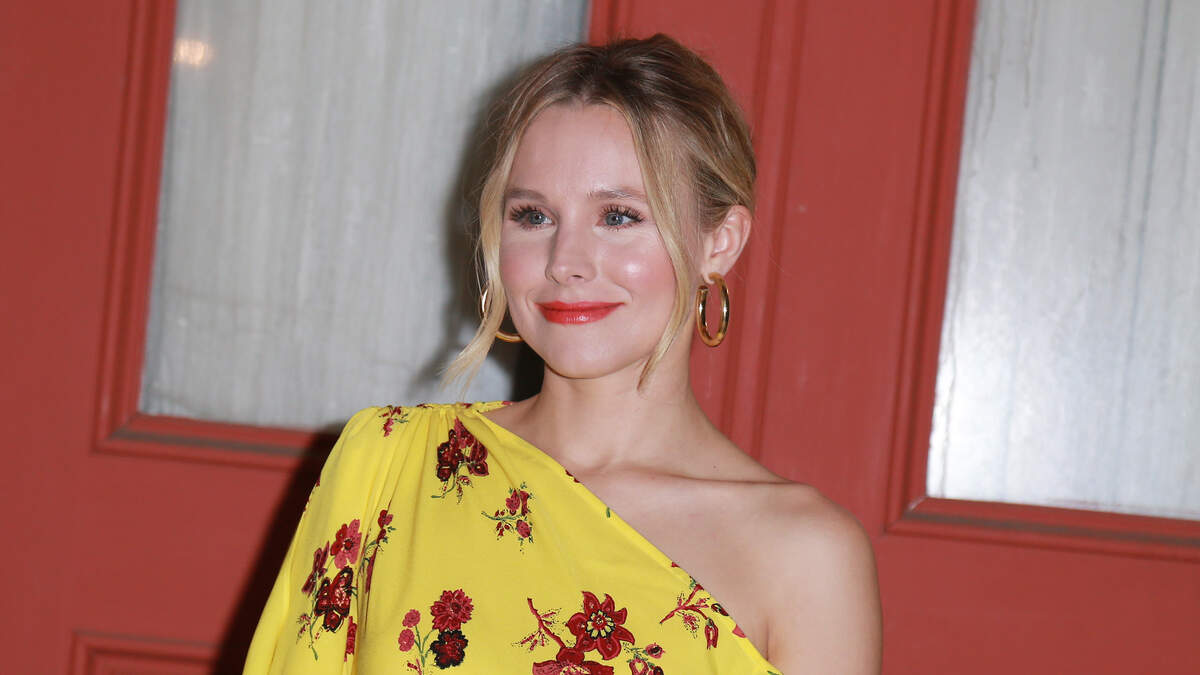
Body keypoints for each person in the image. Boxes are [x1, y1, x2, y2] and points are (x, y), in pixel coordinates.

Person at [244, 34, 880, 674]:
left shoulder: (805, 555)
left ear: (719, 241)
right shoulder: (386, 467)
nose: (564, 262)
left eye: (619, 216)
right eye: (533, 216)